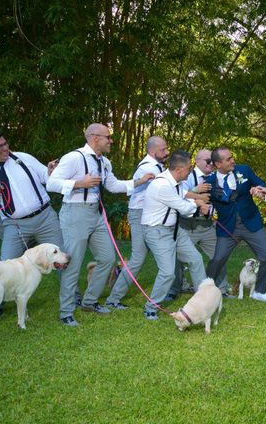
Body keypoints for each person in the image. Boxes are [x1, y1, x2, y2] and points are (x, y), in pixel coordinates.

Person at [47, 123, 154, 326]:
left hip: (95, 214)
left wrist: (140, 182)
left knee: (107, 258)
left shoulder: (104, 162)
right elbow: (51, 183)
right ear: (95, 138)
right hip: (75, 214)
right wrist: (79, 183)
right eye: (108, 137)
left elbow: (113, 186)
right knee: (73, 263)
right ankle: (66, 312)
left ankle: (90, 302)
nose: (110, 141)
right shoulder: (74, 158)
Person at [0, 128, 64, 318]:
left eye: (5, 143)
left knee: (61, 258)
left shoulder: (22, 158)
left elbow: (46, 177)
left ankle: (71, 297)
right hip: (13, 224)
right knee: (3, 265)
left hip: (45, 218)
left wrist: (51, 171)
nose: (5, 148)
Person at [140, 150, 209, 320]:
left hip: (175, 230)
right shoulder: (162, 185)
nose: (190, 171)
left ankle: (203, 301)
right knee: (167, 272)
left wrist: (195, 201)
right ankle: (151, 307)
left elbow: (183, 201)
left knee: (196, 259)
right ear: (179, 169)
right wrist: (198, 204)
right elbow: (183, 208)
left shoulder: (176, 182)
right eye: (189, 168)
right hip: (157, 231)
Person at [105, 136, 169, 309]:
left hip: (150, 213)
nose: (167, 152)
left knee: (163, 253)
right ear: (153, 151)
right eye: (163, 150)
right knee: (138, 258)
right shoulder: (149, 167)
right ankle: (113, 298)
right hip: (141, 214)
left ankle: (170, 289)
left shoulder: (156, 165)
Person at [205, 146, 266, 302]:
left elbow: (262, 184)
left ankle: (259, 291)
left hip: (251, 223)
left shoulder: (244, 170)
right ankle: (205, 290)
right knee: (217, 260)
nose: (233, 160)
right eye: (228, 159)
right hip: (227, 228)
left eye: (232, 157)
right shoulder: (209, 182)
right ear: (218, 164)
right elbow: (202, 202)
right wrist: (203, 205)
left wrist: (258, 190)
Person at [167, 148, 220, 299]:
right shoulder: (187, 175)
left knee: (218, 256)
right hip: (187, 225)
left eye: (213, 161)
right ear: (197, 161)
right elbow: (179, 194)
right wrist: (196, 191)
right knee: (177, 258)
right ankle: (174, 290)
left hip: (208, 225)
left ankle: (220, 289)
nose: (211, 164)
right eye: (208, 161)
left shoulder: (216, 177)